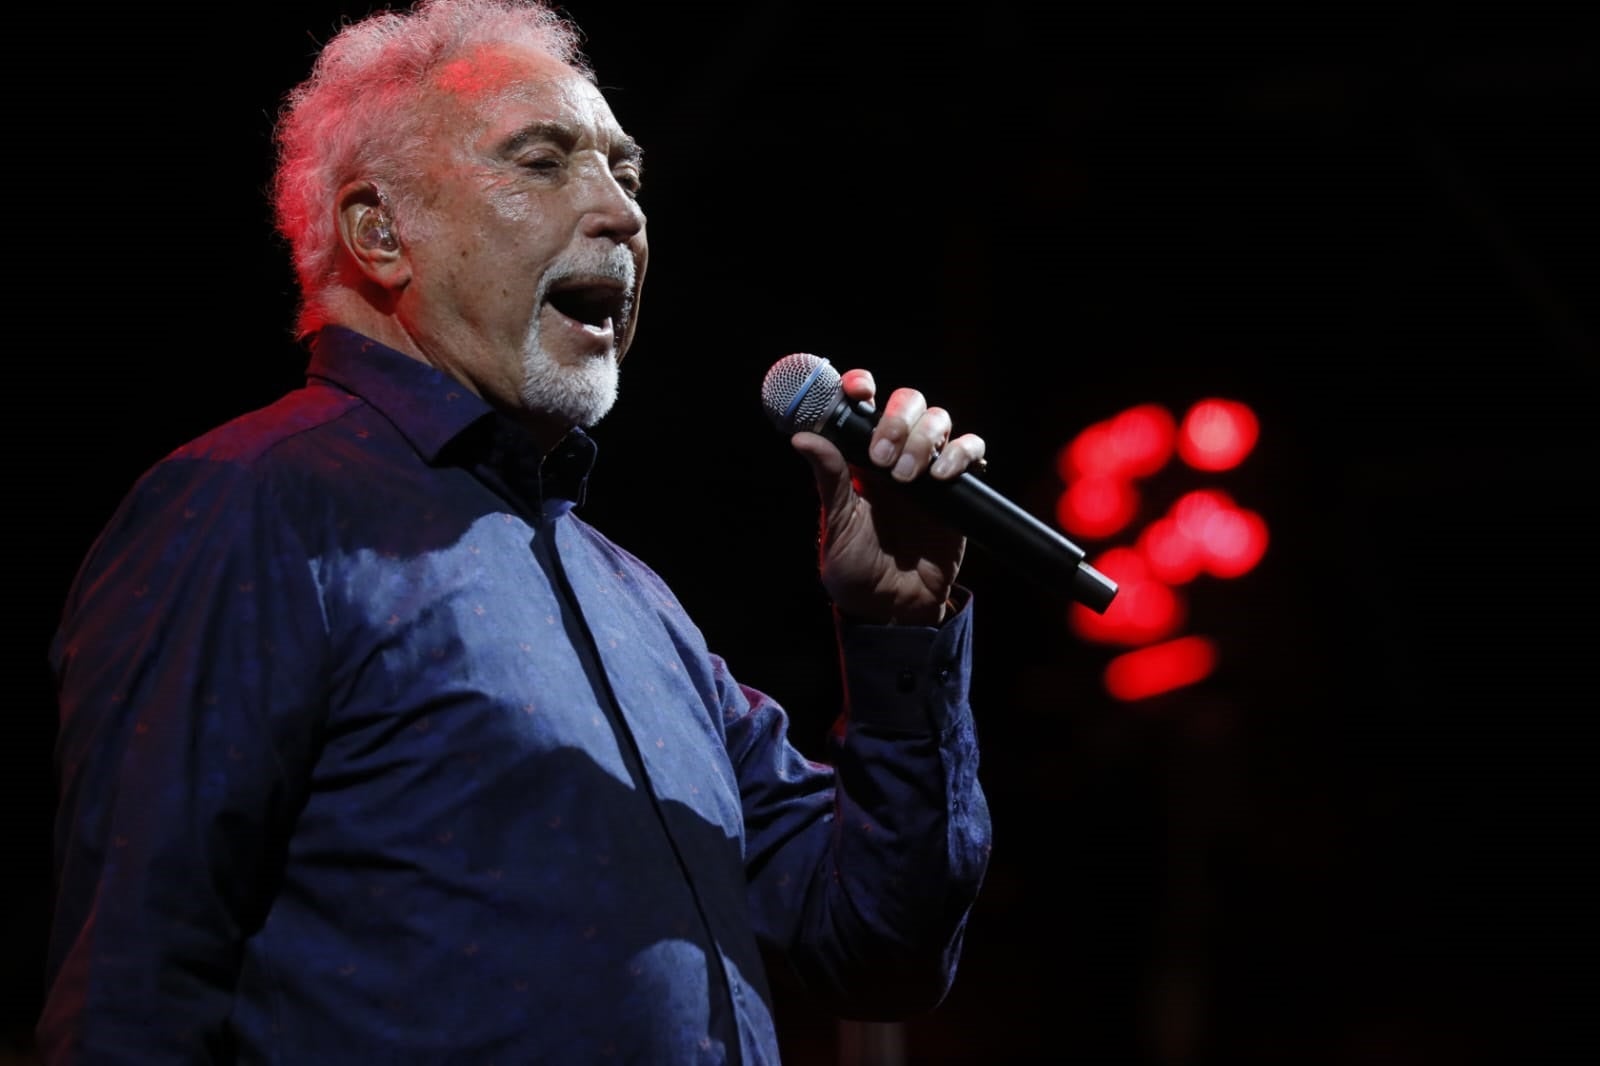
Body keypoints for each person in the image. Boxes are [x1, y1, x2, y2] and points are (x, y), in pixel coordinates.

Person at [39, 0, 992, 1061]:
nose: (621, 213)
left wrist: (902, 633)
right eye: (542, 164)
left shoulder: (636, 603)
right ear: (379, 233)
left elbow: (877, 948)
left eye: (627, 175)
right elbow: (135, 984)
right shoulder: (251, 504)